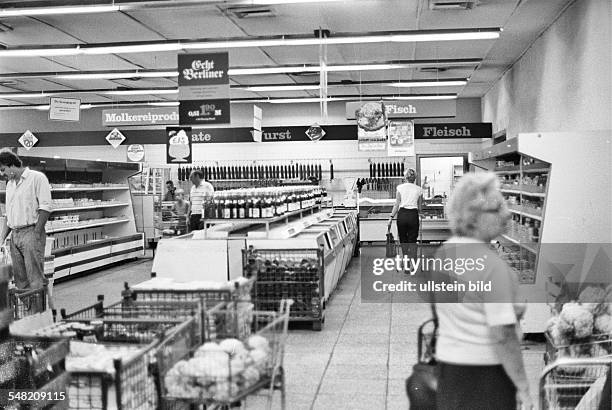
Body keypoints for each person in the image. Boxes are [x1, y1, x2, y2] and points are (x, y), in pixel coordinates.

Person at [433, 172, 532, 410]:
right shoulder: (493, 266)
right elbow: (502, 334)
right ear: (473, 217)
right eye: (497, 208)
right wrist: (523, 386)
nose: (507, 214)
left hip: (449, 370)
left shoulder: (443, 254)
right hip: (486, 377)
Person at [0, 151, 52, 296]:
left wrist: (36, 233)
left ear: (12, 165)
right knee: (20, 281)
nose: (2, 173)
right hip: (14, 235)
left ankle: (38, 316)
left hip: (31, 232)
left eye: (3, 169)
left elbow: (45, 207)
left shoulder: (36, 178)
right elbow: (8, 215)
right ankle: (28, 315)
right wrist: (2, 238)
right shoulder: (10, 185)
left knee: (35, 278)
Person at [387, 168, 422, 262]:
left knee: (403, 239)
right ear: (414, 178)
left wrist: (391, 217)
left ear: (405, 177)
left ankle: (406, 261)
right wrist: (420, 213)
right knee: (413, 239)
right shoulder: (419, 189)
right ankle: (413, 261)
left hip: (402, 215)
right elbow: (419, 205)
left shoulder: (400, 188)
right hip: (413, 215)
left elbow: (396, 204)